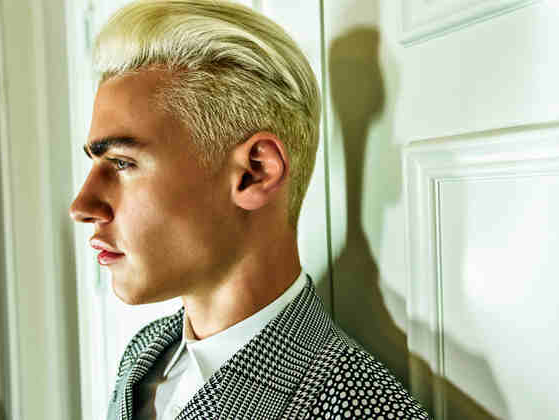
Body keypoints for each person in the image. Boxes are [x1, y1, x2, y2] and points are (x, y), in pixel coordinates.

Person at [69, 1, 431, 418]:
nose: (81, 206)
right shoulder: (145, 353)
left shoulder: (361, 409)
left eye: (121, 163)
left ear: (255, 173)